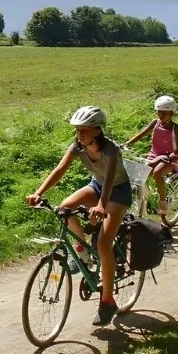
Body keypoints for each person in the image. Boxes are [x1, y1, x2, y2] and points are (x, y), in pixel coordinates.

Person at [27, 105, 131, 327]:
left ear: (96, 130)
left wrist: (102, 206)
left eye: (84, 130)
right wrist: (39, 192)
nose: (79, 134)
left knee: (103, 244)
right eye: (77, 130)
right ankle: (82, 253)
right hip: (96, 186)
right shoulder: (77, 147)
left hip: (118, 193)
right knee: (65, 208)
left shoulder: (110, 150)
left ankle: (108, 300)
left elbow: (111, 180)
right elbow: (59, 170)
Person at [124, 95, 178, 225]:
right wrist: (126, 144)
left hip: (169, 158)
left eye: (164, 112)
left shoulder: (176, 128)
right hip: (153, 155)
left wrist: (171, 155)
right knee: (139, 177)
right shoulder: (154, 122)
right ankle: (141, 206)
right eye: (158, 111)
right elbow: (142, 133)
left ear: (171, 112)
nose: (160, 114)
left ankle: (163, 202)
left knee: (157, 172)